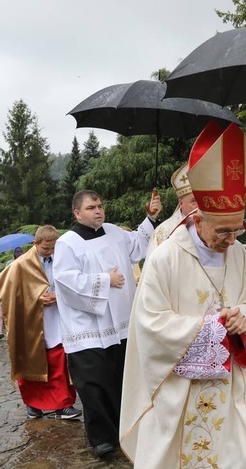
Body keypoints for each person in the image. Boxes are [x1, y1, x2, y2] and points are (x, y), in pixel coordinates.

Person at [120, 121, 246, 468]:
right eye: (223, 231)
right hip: (182, 393)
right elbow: (149, 323)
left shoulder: (238, 254)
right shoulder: (166, 256)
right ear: (198, 216)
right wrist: (210, 329)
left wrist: (245, 318)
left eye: (237, 230)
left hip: (234, 388)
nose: (230, 239)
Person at [53, 189, 161, 458]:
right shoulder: (67, 243)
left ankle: (125, 430)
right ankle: (102, 438)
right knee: (94, 384)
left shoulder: (114, 231)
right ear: (77, 213)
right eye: (91, 207)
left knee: (121, 379)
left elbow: (139, 245)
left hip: (122, 323)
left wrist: (150, 218)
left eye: (100, 206)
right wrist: (104, 281)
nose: (98, 211)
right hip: (87, 328)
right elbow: (66, 281)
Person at [0, 225, 82, 421]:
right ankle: (33, 405)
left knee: (60, 360)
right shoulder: (21, 265)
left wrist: (60, 296)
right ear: (36, 244)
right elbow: (6, 290)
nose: (50, 252)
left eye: (53, 248)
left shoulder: (62, 258)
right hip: (31, 321)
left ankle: (64, 405)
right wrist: (36, 299)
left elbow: (73, 282)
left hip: (58, 317)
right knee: (30, 359)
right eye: (46, 249)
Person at [146, 162, 197, 257]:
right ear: (181, 203)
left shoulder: (213, 227)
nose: (199, 207)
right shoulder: (163, 232)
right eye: (194, 201)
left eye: (202, 200)